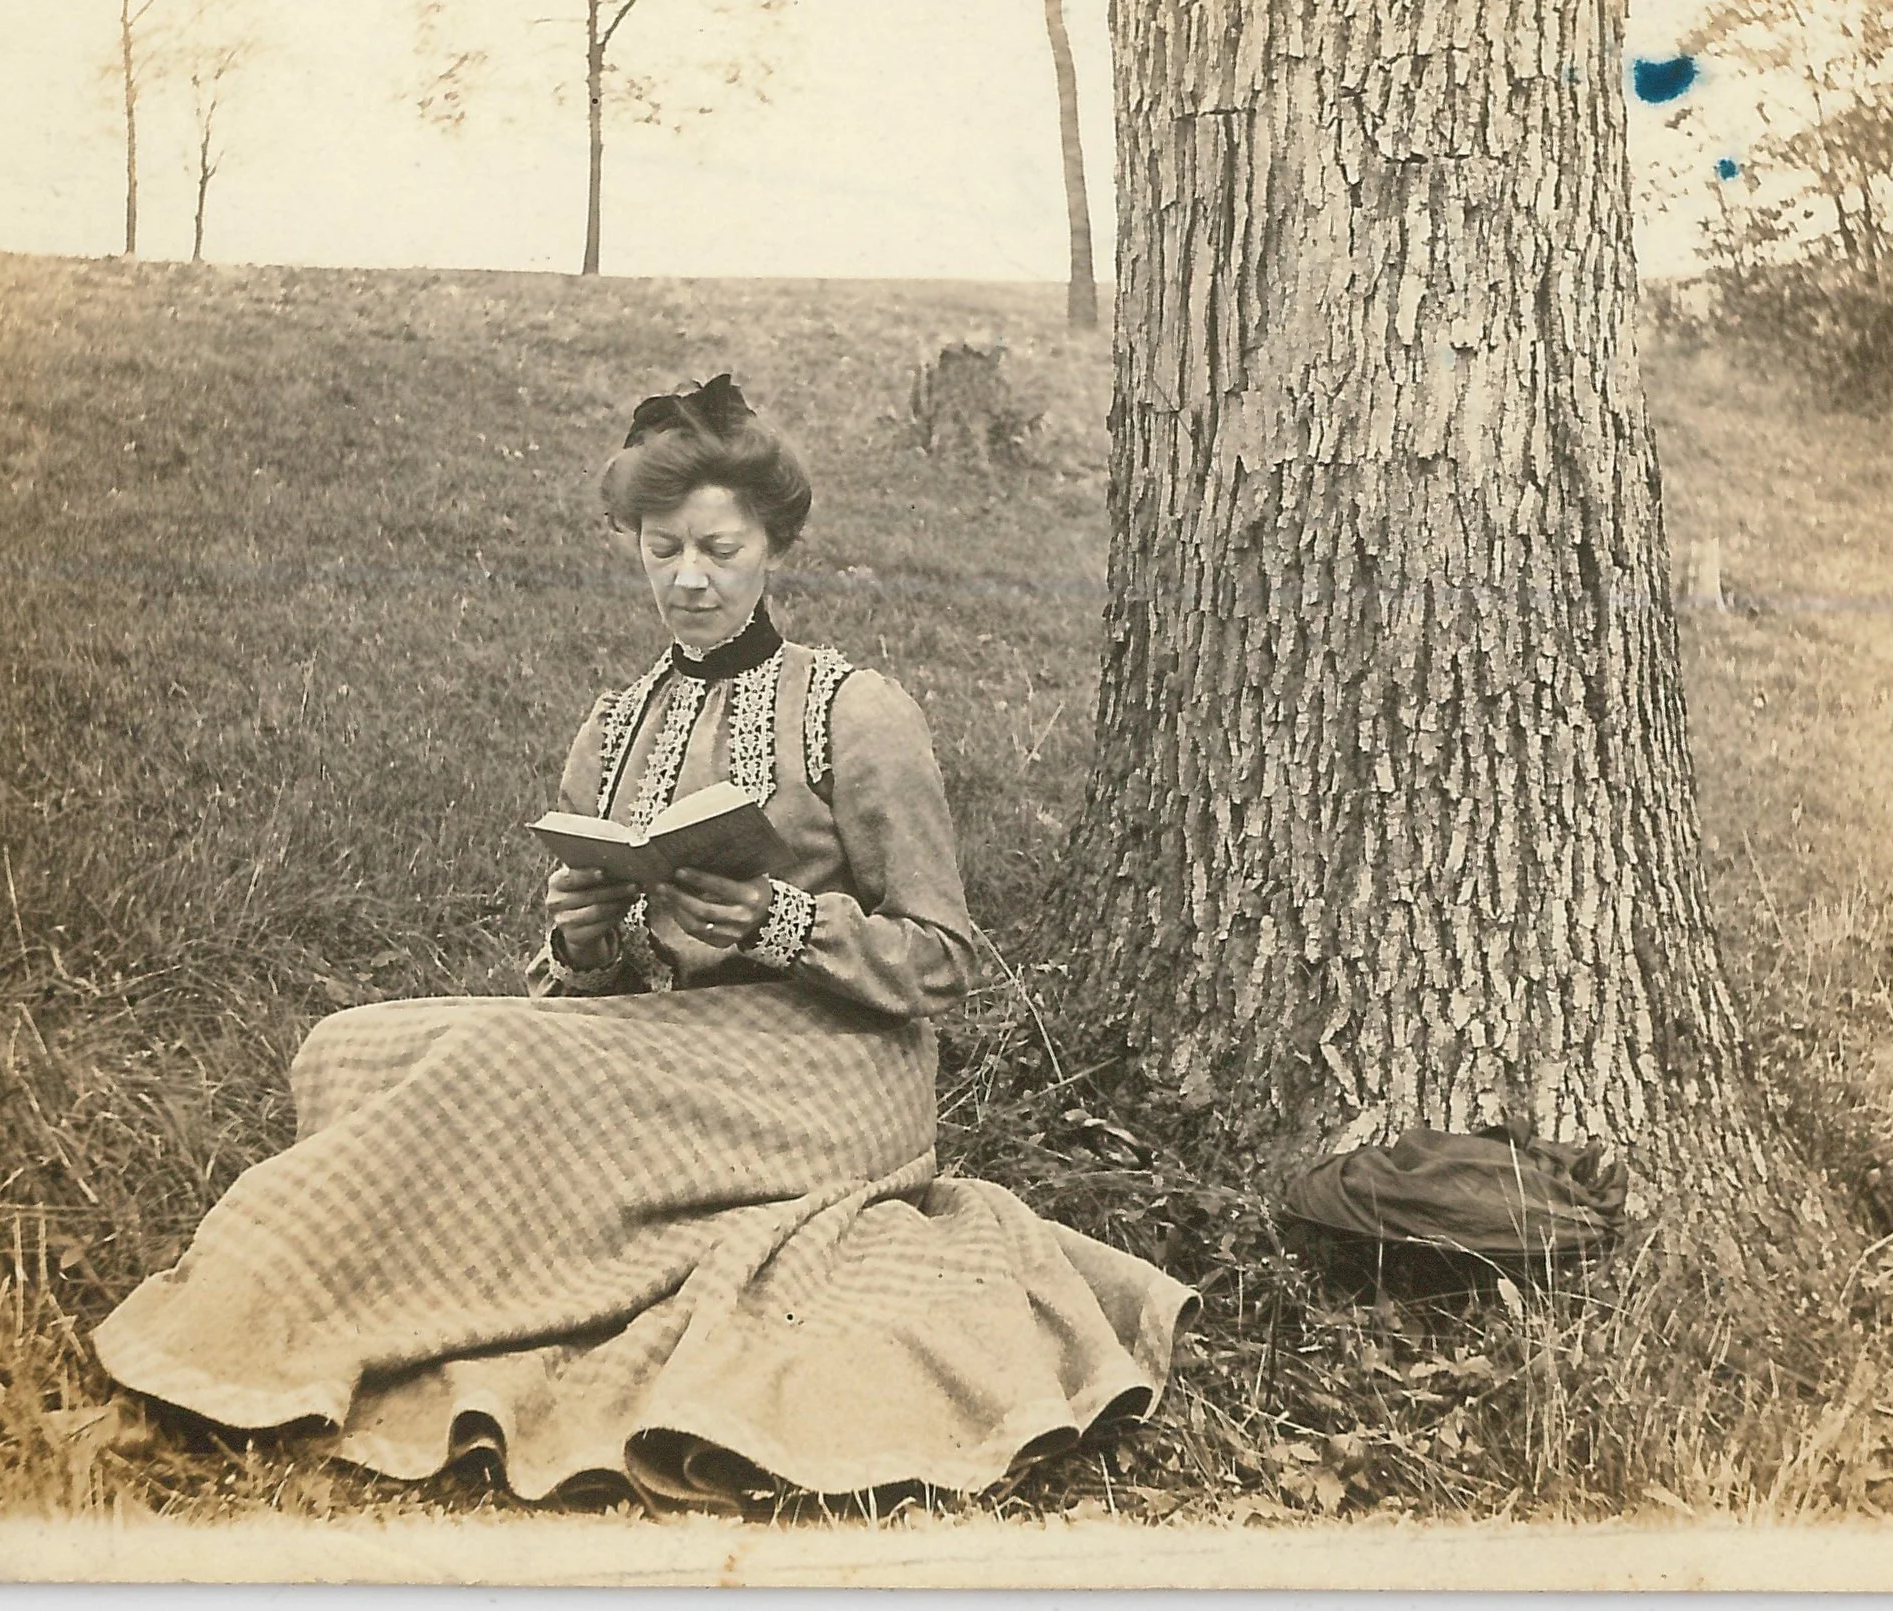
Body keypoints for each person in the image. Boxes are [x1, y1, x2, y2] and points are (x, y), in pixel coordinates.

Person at [94, 375, 1194, 1511]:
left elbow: (946, 958)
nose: (688, 577)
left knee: (486, 1062)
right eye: (659, 548)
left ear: (773, 544)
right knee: (352, 1043)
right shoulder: (614, 727)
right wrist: (578, 943)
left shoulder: (856, 710)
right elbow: (587, 991)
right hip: (670, 1050)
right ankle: (313, 1304)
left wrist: (785, 923)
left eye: (718, 547)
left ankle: (243, 1342)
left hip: (834, 1069)